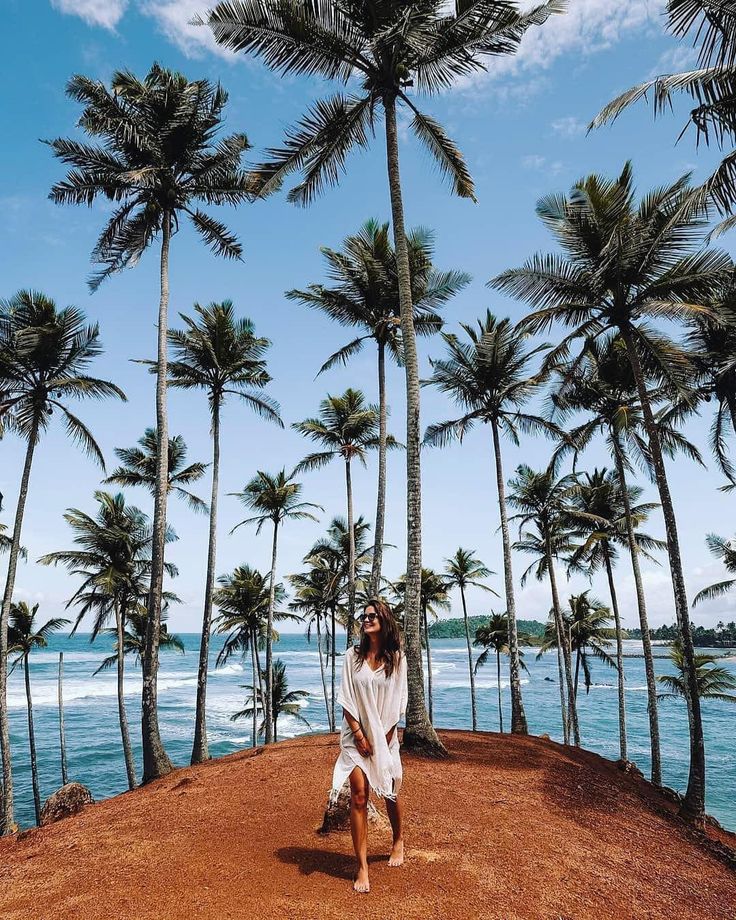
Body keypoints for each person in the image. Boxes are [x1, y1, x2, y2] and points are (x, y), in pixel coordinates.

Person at [331, 598, 408, 894]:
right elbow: (346, 699)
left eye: (372, 615)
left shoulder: (397, 659)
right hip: (354, 737)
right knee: (360, 795)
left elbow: (399, 701)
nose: (366, 619)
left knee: (389, 789)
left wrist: (385, 737)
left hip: (386, 736)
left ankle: (398, 838)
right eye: (364, 616)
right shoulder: (352, 656)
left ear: (384, 620)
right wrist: (360, 736)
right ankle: (361, 866)